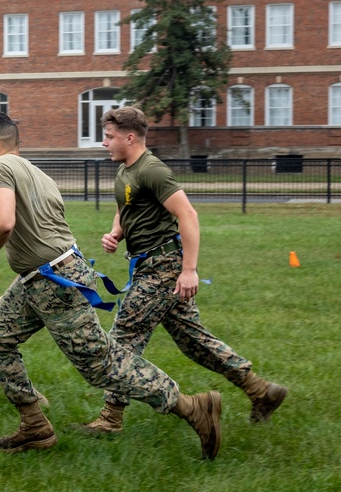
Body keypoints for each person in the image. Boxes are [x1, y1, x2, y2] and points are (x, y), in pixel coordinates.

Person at [0, 111, 223, 460]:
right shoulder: (38, 174)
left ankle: (193, 407)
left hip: (53, 281)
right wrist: (19, 283)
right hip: (43, 276)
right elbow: (46, 235)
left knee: (100, 364)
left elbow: (2, 223)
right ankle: (34, 425)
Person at [78, 106, 287, 433]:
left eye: (109, 137)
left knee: (121, 339)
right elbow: (125, 208)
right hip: (148, 264)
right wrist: (116, 233)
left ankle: (110, 418)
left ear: (129, 137)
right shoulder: (125, 171)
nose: (104, 143)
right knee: (194, 341)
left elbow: (188, 215)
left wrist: (189, 270)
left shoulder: (152, 170)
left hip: (163, 266)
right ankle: (261, 391)